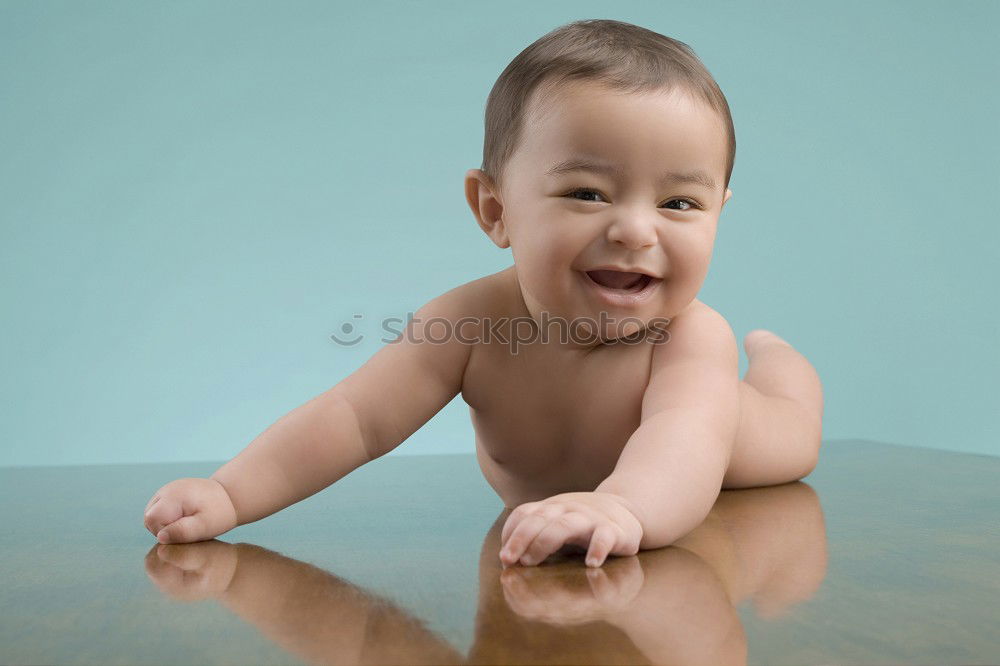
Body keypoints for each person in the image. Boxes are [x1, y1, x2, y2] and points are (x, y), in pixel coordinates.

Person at [143, 18, 824, 569]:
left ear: (719, 215)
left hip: (730, 453)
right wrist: (230, 492)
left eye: (679, 202)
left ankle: (777, 360)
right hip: (570, 513)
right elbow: (355, 417)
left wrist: (622, 509)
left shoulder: (688, 336)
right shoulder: (467, 324)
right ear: (495, 210)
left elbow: (685, 442)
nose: (634, 229)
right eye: (587, 193)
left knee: (788, 419)